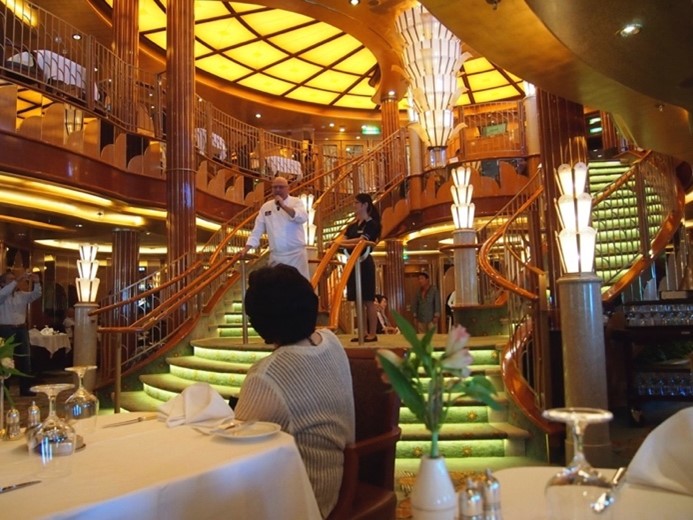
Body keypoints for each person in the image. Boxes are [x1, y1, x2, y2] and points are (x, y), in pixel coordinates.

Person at [234, 264, 355, 519]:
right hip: (337, 483)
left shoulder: (267, 376)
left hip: (304, 502)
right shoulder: (331, 341)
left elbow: (237, 450)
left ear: (260, 322)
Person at [242, 175, 310, 280]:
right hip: (276, 256)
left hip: (296, 255)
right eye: (275, 187)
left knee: (298, 286)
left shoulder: (296, 202)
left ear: (287, 188)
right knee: (276, 287)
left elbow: (302, 218)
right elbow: (257, 230)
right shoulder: (266, 207)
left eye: (281, 187)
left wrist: (283, 206)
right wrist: (246, 249)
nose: (277, 190)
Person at [339, 193, 381, 343]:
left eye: (356, 203)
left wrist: (341, 243)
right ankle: (362, 332)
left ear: (365, 205)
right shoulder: (352, 226)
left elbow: (361, 241)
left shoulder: (372, 224)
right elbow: (343, 239)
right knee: (357, 300)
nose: (354, 205)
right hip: (352, 263)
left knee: (368, 300)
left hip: (365, 262)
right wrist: (341, 243)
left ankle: (372, 333)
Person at [0, 271, 42, 395]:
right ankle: (4, 390)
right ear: (2, 283)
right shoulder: (2, 294)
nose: (14, 281)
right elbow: (4, 293)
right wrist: (17, 280)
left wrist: (37, 282)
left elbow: (36, 294)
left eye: (14, 279)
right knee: (5, 359)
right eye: (10, 279)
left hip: (21, 329)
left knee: (25, 358)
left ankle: (25, 389)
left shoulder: (21, 295)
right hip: (5, 329)